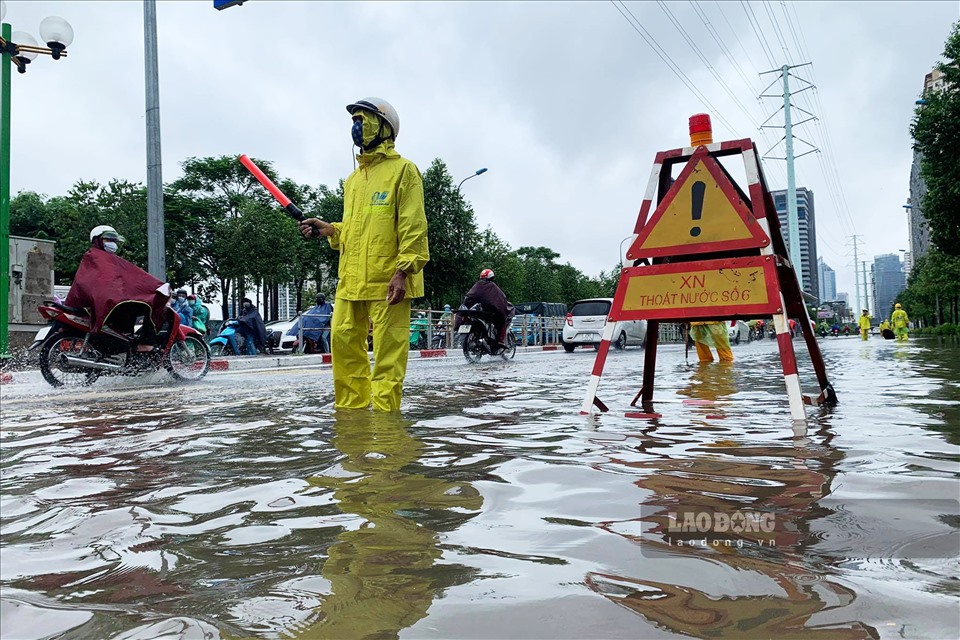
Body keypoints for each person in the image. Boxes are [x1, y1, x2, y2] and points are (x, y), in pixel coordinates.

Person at [299, 97, 429, 412]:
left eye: (363, 119)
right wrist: (330, 230)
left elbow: (414, 226)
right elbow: (356, 230)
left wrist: (404, 271)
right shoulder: (353, 181)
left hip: (390, 281)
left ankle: (386, 433)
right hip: (351, 282)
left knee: (387, 358)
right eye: (355, 121)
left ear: (384, 127)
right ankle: (352, 424)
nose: (357, 127)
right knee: (344, 348)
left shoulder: (404, 171)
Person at [65, 225, 170, 352]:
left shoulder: (97, 257)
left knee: (132, 309)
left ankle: (124, 342)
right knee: (150, 305)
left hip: (97, 303)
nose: (113, 243)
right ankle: (145, 344)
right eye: (108, 240)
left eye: (114, 241)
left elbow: (132, 278)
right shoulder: (99, 258)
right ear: (97, 240)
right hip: (103, 302)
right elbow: (134, 280)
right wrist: (156, 286)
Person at [458, 268, 515, 349]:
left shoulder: (477, 285)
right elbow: (501, 299)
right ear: (491, 277)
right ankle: (500, 340)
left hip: (479, 313)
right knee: (503, 320)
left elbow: (469, 297)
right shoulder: (492, 286)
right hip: (488, 313)